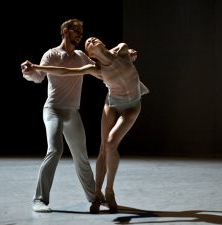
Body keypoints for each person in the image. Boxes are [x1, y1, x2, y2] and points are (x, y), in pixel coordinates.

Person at [21, 37, 149, 213]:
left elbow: (113, 59)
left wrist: (129, 55)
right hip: (81, 107)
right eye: (87, 41)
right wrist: (35, 68)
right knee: (76, 149)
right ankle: (49, 198)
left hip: (108, 108)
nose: (88, 39)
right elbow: (61, 71)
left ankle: (102, 193)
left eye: (90, 38)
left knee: (96, 149)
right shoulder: (72, 61)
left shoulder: (111, 52)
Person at [21, 19, 96, 213]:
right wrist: (29, 72)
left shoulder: (81, 56)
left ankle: (94, 197)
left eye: (81, 31)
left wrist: (122, 59)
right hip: (53, 110)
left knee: (82, 157)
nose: (80, 34)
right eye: (76, 30)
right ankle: (39, 200)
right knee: (55, 150)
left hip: (73, 112)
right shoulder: (52, 54)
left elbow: (99, 69)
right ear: (65, 31)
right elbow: (38, 77)